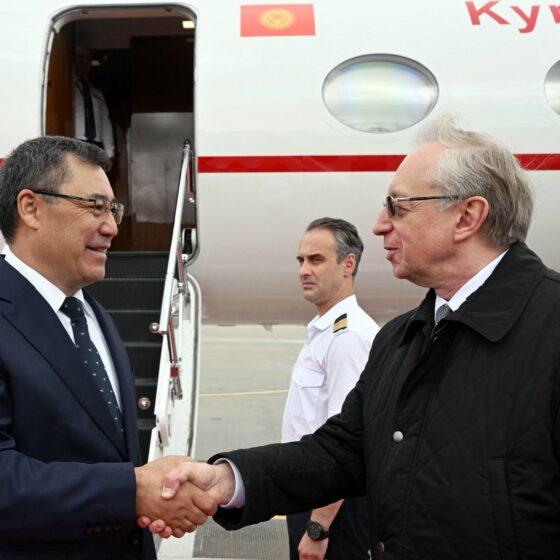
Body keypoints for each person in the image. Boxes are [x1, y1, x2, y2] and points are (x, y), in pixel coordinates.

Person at [142, 114, 560, 559]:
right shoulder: (400, 338)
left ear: (467, 217)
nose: (380, 224)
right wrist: (227, 479)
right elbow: (342, 453)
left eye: (398, 206)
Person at [0, 136, 214, 558]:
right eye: (94, 207)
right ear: (31, 208)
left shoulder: (91, 314)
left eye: (112, 209)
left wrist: (147, 495)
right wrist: (133, 491)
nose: (112, 227)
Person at [283, 217, 378, 560]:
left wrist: (318, 527)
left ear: (347, 264)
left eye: (316, 260)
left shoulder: (347, 337)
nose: (304, 270)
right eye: (301, 260)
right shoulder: (328, 330)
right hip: (313, 497)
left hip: (331, 509)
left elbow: (347, 441)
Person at [74, 43, 115, 171]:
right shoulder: (66, 89)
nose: (83, 61)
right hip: (74, 143)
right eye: (80, 56)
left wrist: (109, 153)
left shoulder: (97, 92)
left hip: (96, 145)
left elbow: (105, 122)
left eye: (87, 58)